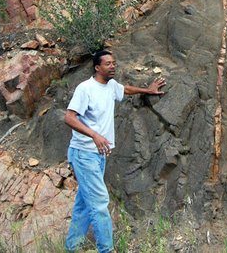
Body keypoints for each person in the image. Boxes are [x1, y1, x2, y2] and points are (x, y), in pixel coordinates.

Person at [64, 50, 166, 253]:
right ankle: (107, 249)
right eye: (108, 64)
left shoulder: (110, 86)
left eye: (114, 63)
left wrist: (147, 90)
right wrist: (94, 135)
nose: (113, 66)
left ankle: (72, 247)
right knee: (100, 202)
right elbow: (69, 117)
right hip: (84, 153)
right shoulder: (85, 89)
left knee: (84, 204)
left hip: (98, 154)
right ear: (97, 68)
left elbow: (125, 89)